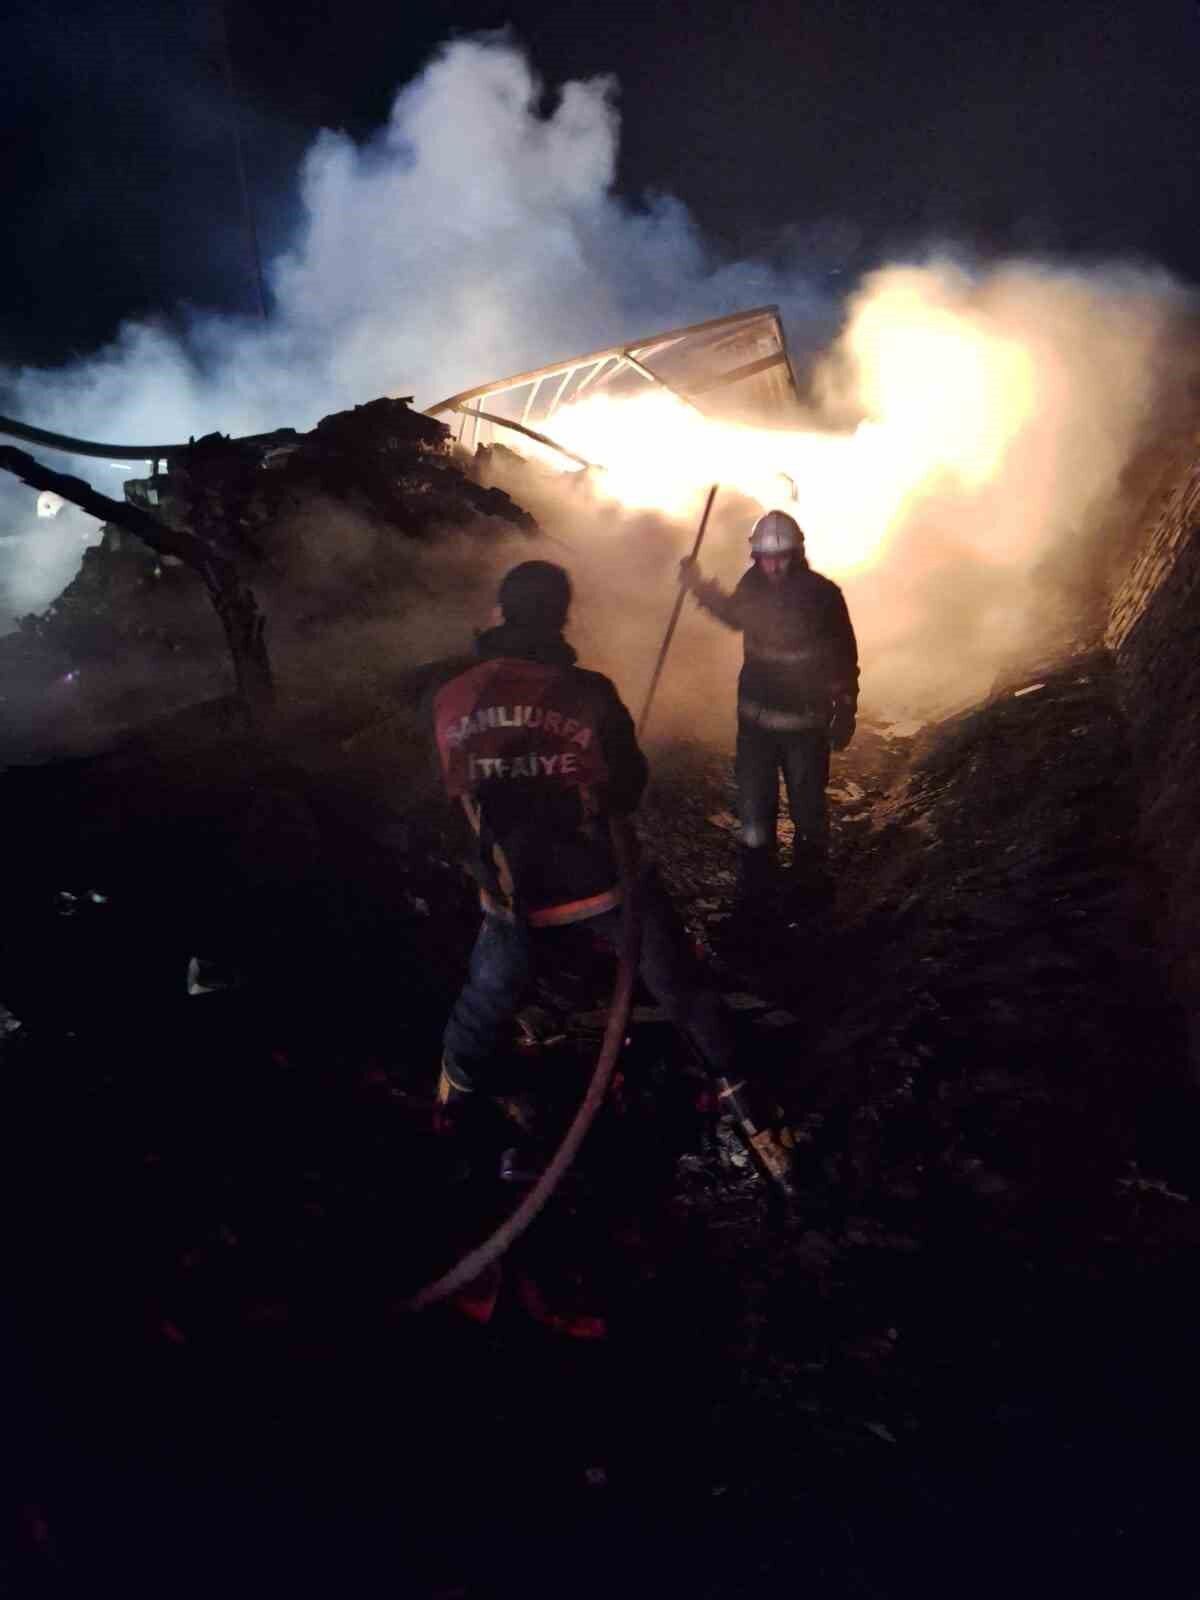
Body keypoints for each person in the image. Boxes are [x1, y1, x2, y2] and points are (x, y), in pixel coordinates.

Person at [431, 559, 792, 1194]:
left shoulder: (452, 696)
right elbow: (627, 788)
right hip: (602, 883)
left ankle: (449, 1113)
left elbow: (448, 794)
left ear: (502, 611)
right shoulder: (590, 692)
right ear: (561, 616)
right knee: (680, 987)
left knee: (483, 1001)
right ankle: (757, 1122)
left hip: (512, 896)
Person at [679, 509, 859, 907]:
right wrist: (697, 586)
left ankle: (809, 887)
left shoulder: (823, 595)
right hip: (756, 723)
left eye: (780, 558)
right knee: (754, 810)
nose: (772, 566)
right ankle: (757, 891)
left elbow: (843, 655)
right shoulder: (753, 586)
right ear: (755, 557)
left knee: (808, 808)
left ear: (797, 554)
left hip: (805, 725)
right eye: (764, 558)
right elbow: (732, 615)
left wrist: (846, 707)